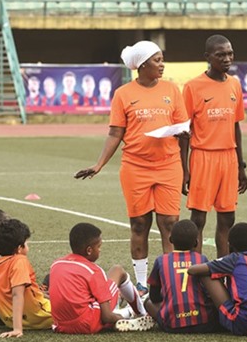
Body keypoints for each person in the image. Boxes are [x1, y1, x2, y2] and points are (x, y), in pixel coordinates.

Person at [74, 40, 189, 295]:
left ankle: (169, 282)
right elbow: (116, 132)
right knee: (139, 224)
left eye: (161, 59)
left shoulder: (172, 89)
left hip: (169, 165)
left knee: (170, 224)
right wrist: (99, 164)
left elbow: (183, 129)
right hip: (135, 167)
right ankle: (142, 284)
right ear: (142, 64)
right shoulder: (123, 94)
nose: (162, 64)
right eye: (157, 60)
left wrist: (186, 169)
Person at [180, 34, 247, 258]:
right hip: (203, 157)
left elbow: (236, 127)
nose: (227, 59)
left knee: (228, 217)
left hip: (228, 158)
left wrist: (241, 165)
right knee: (198, 218)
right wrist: (184, 169)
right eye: (221, 55)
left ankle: (223, 268)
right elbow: (183, 133)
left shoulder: (235, 85)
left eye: (230, 54)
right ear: (208, 57)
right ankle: (197, 270)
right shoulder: (192, 87)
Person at [49, 222, 156, 334]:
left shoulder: (56, 265)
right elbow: (106, 317)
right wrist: (120, 318)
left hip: (60, 325)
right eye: (99, 246)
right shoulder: (93, 270)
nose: (100, 250)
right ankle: (139, 313)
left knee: (99, 297)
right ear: (89, 250)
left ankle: (124, 307)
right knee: (117, 270)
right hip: (87, 324)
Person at [188, 222, 247, 336]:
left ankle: (208, 307)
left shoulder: (234, 259)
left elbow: (192, 270)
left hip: (244, 323)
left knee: (206, 273)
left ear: (230, 246)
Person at [145, 219, 217, 333]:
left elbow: (154, 297)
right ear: (196, 243)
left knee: (147, 302)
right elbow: (209, 293)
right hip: (204, 323)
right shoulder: (201, 259)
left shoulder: (161, 261)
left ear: (170, 239)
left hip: (172, 325)